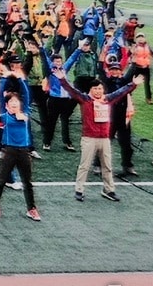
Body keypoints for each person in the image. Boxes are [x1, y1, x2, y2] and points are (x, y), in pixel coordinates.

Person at [51, 67, 135, 203]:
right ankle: (79, 190)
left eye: (100, 89)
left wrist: (133, 84)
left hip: (104, 138)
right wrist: (62, 79)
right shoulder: (85, 100)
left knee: (107, 166)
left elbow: (121, 92)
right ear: (90, 90)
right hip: (89, 138)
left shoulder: (107, 99)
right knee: (85, 165)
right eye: (95, 89)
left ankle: (109, 190)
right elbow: (72, 91)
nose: (98, 91)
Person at [0, 74, 40, 221]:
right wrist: (5, 79)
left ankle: (31, 209)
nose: (14, 104)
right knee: (1, 181)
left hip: (24, 152)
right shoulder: (5, 116)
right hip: (9, 151)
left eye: (16, 102)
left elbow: (27, 95)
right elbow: (0, 95)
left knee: (27, 182)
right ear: (6, 106)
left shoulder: (26, 113)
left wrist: (20, 80)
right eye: (11, 102)